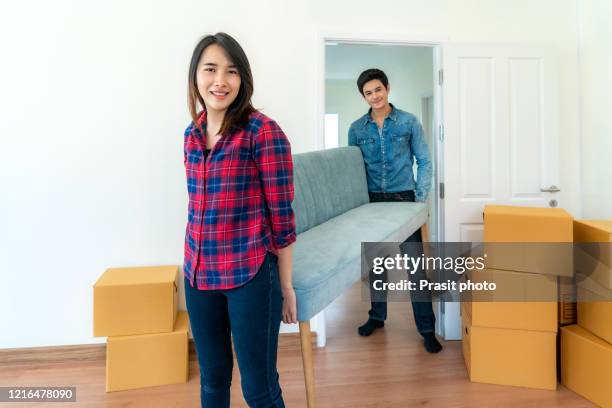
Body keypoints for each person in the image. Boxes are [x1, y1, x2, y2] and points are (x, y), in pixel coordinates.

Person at [182, 32, 297, 407]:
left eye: (231, 71)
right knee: (212, 382)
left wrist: (287, 287)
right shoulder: (191, 134)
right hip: (198, 275)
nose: (220, 81)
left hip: (250, 275)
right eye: (211, 69)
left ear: (242, 79)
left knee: (259, 389)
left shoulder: (263, 132)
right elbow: (198, 207)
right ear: (196, 76)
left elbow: (282, 218)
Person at [348, 68, 442, 354]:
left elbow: (424, 161)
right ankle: (377, 316)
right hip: (372, 202)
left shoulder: (409, 122)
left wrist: (420, 198)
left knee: (415, 268)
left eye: (378, 89)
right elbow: (352, 169)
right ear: (363, 96)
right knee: (376, 265)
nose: (374, 96)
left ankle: (426, 329)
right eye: (368, 93)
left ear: (387, 88)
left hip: (404, 200)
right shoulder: (356, 129)